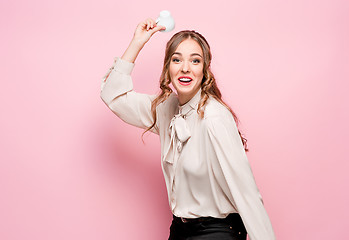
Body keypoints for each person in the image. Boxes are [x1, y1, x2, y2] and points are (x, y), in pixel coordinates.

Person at [100, 18, 276, 240]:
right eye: (177, 59)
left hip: (218, 232)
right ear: (168, 67)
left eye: (195, 61)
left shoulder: (214, 117)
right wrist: (137, 42)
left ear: (205, 70)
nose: (185, 68)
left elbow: (247, 193)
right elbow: (113, 96)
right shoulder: (166, 108)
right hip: (180, 230)